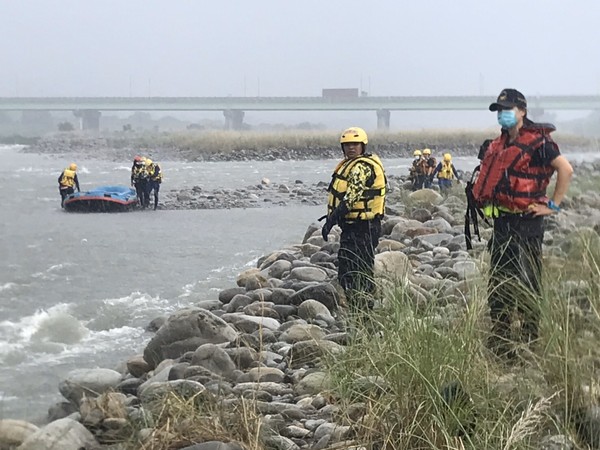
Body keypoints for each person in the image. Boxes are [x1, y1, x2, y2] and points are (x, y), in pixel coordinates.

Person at [471, 88, 573, 358]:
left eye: (508, 109)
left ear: (522, 111)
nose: (503, 114)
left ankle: (529, 341)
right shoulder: (499, 143)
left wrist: (552, 206)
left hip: (527, 222)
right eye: (499, 110)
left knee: (528, 279)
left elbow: (566, 169)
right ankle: (502, 338)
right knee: (500, 280)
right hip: (503, 222)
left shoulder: (540, 143)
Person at [321, 127, 386, 311]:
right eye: (347, 144)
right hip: (352, 227)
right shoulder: (349, 165)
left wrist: (330, 221)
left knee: (359, 269)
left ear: (363, 146)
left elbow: (350, 199)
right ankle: (356, 307)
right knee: (347, 267)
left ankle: (364, 311)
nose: (351, 148)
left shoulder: (361, 167)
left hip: (363, 226)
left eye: (355, 144)